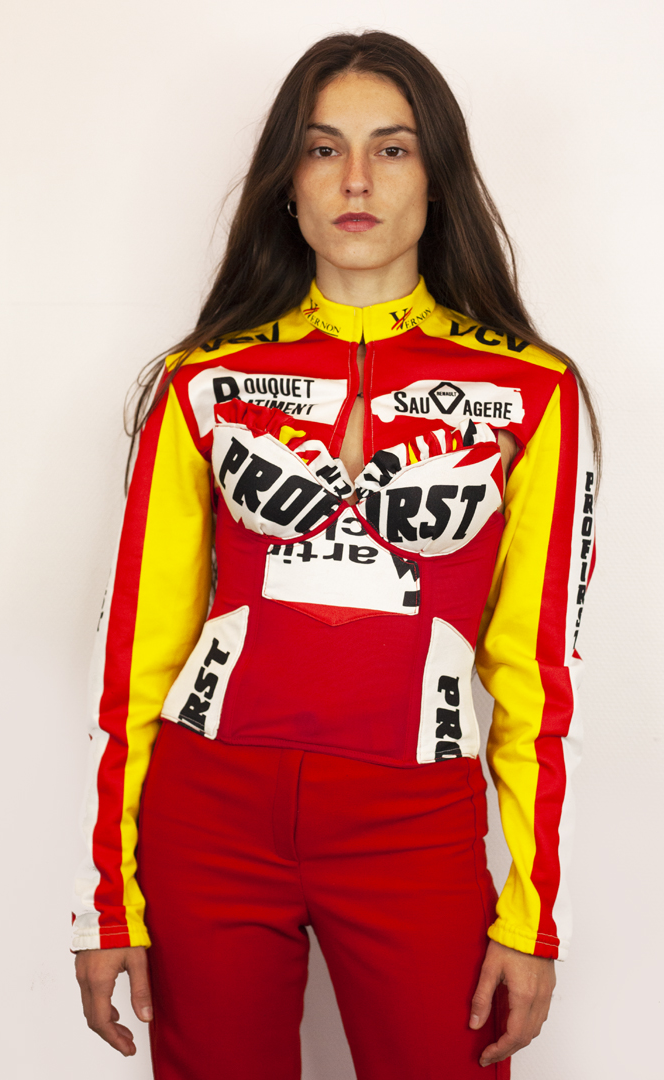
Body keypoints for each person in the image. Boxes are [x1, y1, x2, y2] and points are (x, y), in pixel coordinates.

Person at [73, 30, 598, 1080]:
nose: (356, 178)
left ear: (438, 178)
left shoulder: (533, 392)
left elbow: (534, 673)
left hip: (416, 826)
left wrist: (534, 912)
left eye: (392, 148)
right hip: (207, 819)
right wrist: (105, 899)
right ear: (288, 181)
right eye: (323, 149)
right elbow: (137, 652)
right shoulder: (201, 381)